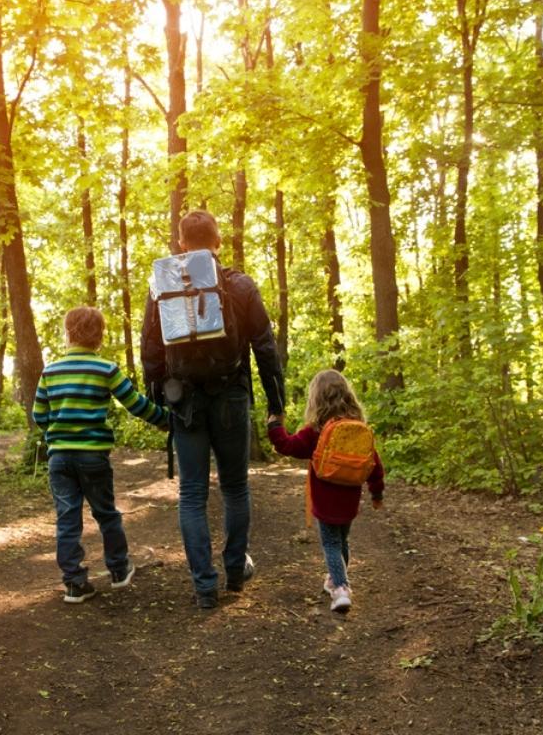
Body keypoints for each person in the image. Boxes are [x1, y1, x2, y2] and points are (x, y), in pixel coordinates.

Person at [141, 210, 286, 609]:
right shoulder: (239, 285)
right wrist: (277, 405)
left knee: (191, 495)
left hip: (184, 402)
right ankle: (235, 574)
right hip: (231, 397)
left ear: (182, 243)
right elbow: (265, 347)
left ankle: (204, 587)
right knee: (235, 487)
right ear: (218, 242)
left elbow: (150, 352)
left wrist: (159, 403)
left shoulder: (161, 287)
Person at [33, 306, 168, 603]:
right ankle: (119, 570)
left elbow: (38, 414)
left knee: (67, 519)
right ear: (99, 336)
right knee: (106, 513)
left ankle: (74, 584)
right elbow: (135, 403)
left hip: (59, 459)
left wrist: (56, 434)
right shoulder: (106, 369)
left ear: (68, 334)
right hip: (93, 457)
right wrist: (165, 419)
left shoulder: (50, 371)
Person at [267, 369, 384, 613]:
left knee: (330, 543)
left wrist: (275, 426)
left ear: (316, 398)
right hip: (350, 498)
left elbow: (287, 446)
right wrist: (376, 492)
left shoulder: (316, 430)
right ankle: (334, 579)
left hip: (325, 499)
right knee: (342, 541)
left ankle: (341, 588)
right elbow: (374, 462)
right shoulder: (358, 428)